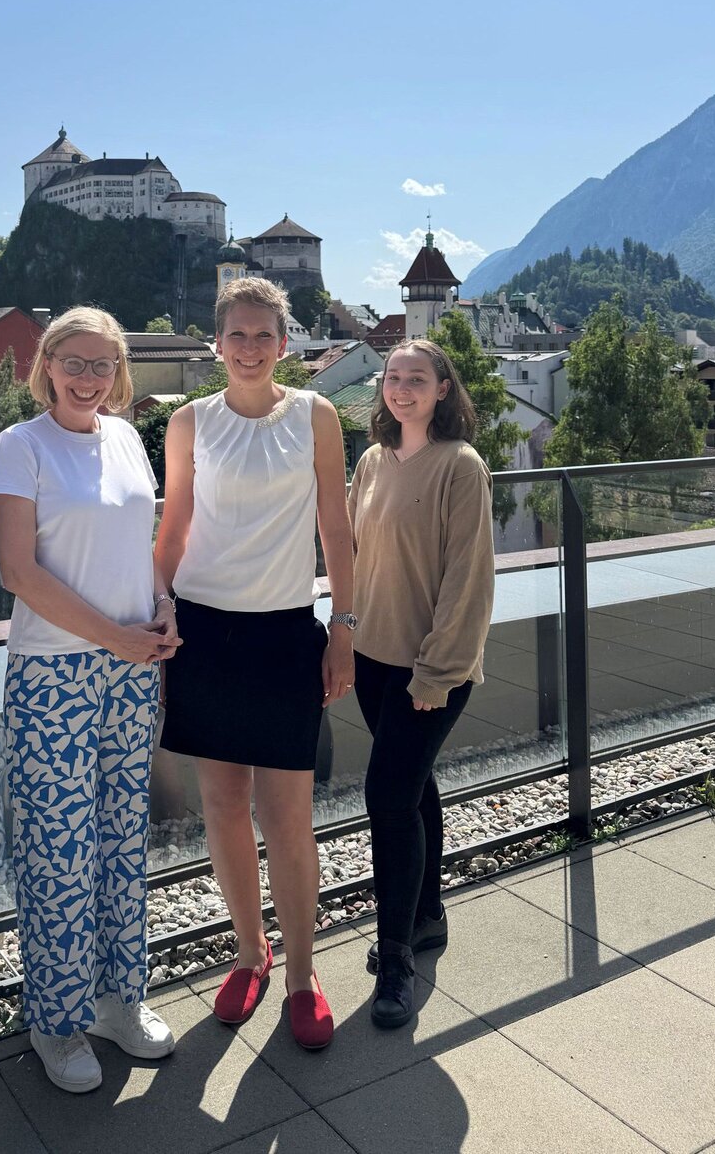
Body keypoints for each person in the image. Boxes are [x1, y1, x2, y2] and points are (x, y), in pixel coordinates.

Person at [154, 278, 355, 1050]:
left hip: (281, 632)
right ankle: (250, 951)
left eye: (261, 335)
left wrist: (342, 624)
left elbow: (336, 529)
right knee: (224, 806)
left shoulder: (316, 415)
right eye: (235, 335)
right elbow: (173, 527)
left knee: (288, 815)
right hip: (204, 631)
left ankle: (302, 972)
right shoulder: (189, 421)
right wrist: (158, 604)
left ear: (283, 342)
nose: (247, 347)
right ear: (217, 342)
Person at [0, 306, 181, 1094]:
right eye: (75, 360)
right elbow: (17, 572)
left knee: (119, 837)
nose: (88, 377)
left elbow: (145, 542)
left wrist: (162, 603)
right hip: (56, 673)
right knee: (59, 852)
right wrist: (117, 635)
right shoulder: (20, 445)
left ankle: (115, 999)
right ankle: (56, 1020)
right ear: (47, 363)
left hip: (132, 665)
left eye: (104, 364)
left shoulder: (130, 438)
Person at [347, 339, 495, 1029]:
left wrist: (436, 671)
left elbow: (469, 579)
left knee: (386, 797)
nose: (402, 388)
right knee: (413, 790)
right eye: (393, 377)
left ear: (443, 389)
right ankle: (428, 913)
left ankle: (396, 957)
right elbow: (351, 554)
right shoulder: (373, 462)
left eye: (417, 378)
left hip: (430, 669)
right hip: (372, 660)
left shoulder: (461, 466)